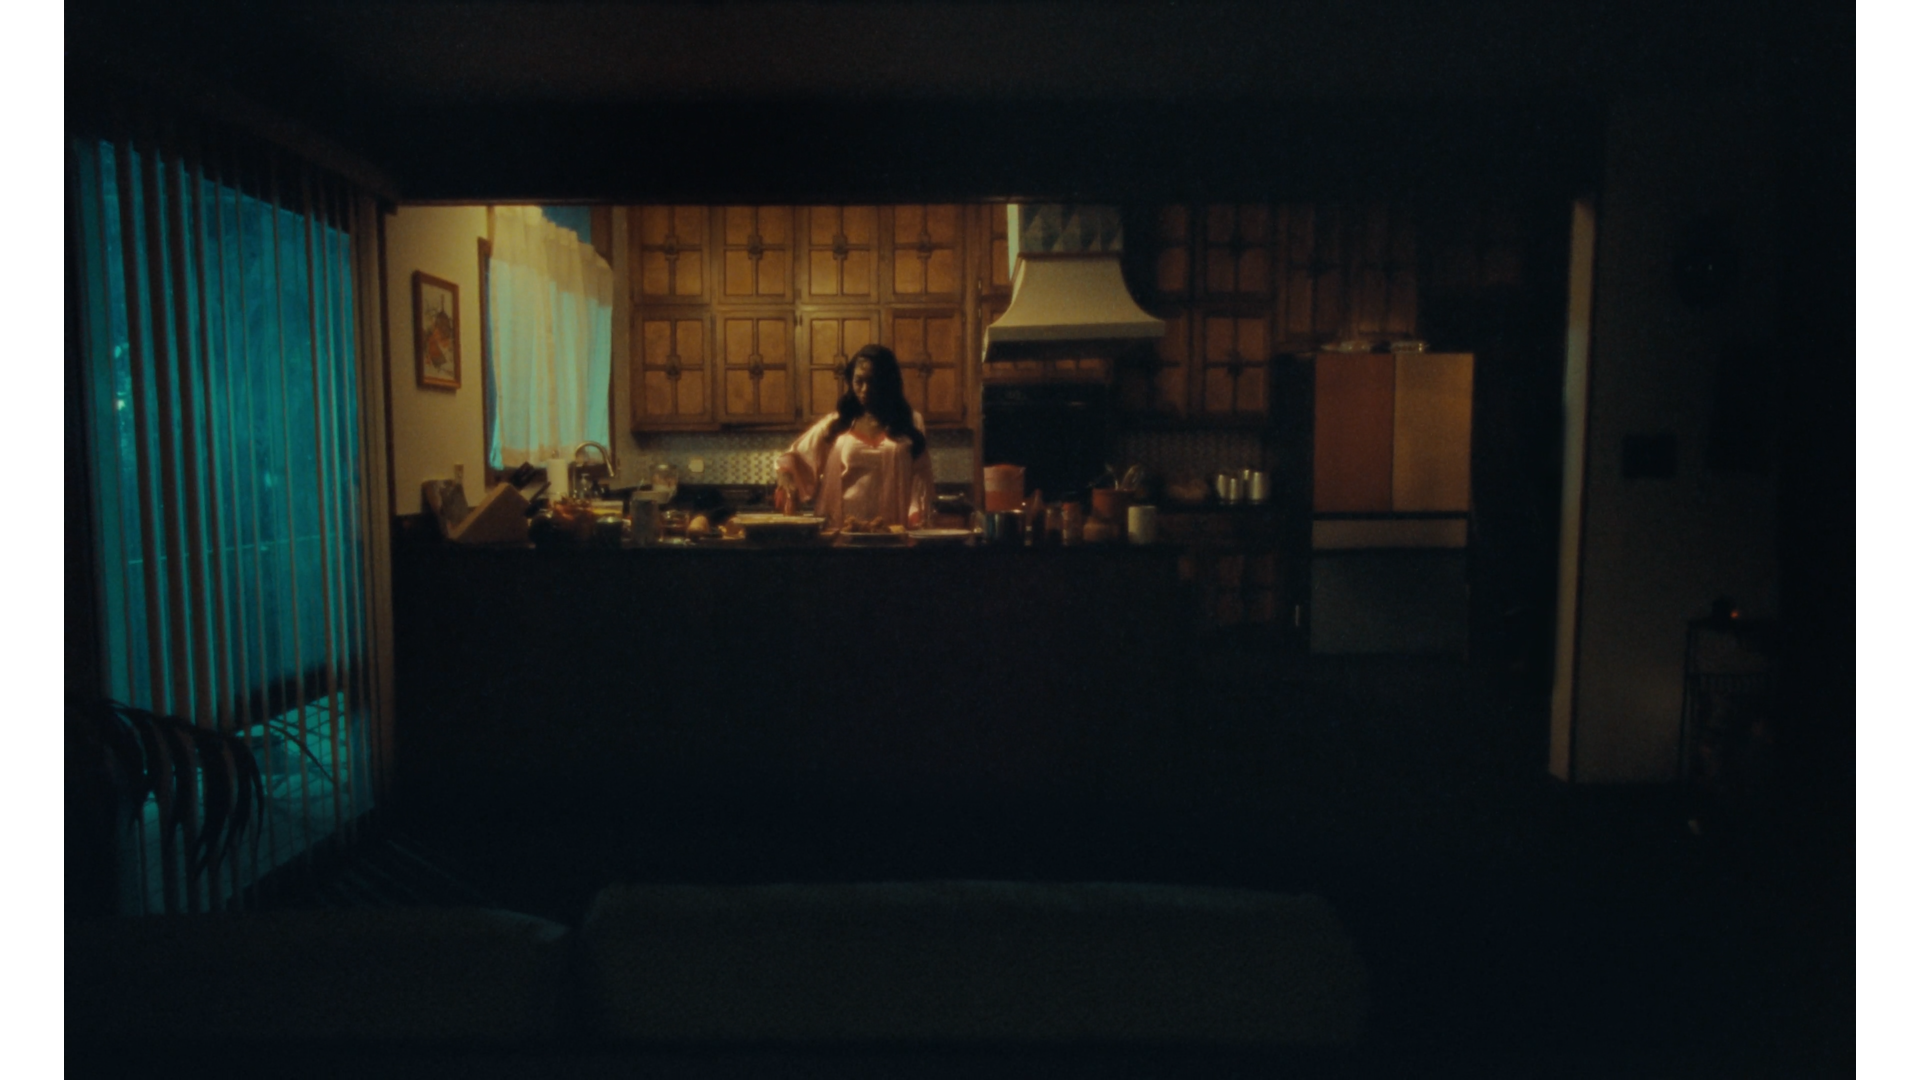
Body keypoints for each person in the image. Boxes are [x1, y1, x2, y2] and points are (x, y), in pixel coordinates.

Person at [775, 344, 934, 529]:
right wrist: (786, 478)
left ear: (888, 382)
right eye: (859, 381)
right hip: (842, 531)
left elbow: (921, 480)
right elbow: (794, 458)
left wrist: (917, 517)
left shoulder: (911, 422)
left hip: (893, 534)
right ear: (851, 381)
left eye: (873, 382)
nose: (865, 389)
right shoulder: (836, 425)